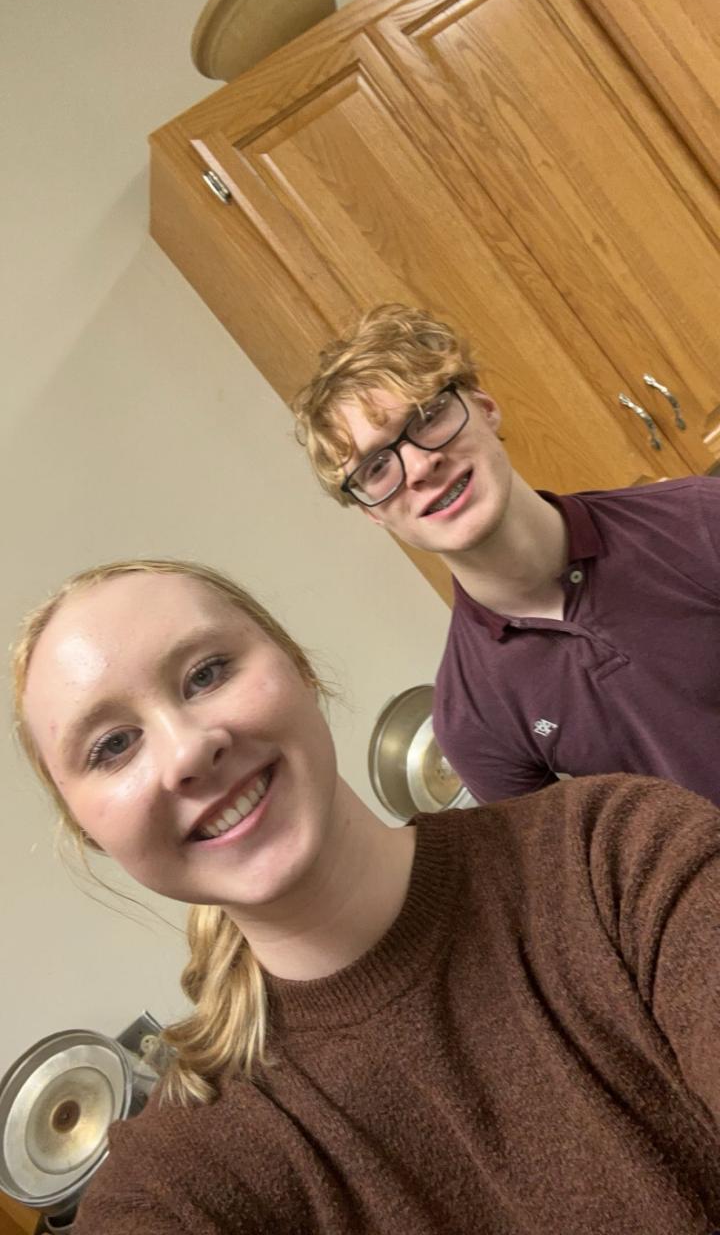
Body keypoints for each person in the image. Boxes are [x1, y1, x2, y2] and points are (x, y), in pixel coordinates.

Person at [12, 557, 720, 1233]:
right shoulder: (178, 1174)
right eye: (112, 746)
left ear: (298, 666)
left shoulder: (615, 852)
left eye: (206, 673)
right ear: (91, 832)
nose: (189, 750)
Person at [293, 304, 720, 804]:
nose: (420, 468)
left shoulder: (698, 517)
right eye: (376, 468)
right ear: (372, 512)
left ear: (485, 407)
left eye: (427, 418)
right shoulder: (472, 719)